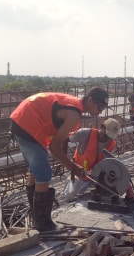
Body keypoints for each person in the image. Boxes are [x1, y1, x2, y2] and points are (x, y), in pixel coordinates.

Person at [10, 86, 109, 232]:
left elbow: (61, 140)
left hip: (23, 119)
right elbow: (54, 147)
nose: (100, 111)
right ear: (90, 100)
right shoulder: (74, 114)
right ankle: (42, 224)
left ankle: (37, 218)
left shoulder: (74, 105)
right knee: (44, 174)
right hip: (28, 123)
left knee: (35, 171)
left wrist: (67, 161)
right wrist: (73, 167)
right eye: (100, 106)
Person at [63, 118, 134, 207]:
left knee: (113, 179)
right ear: (102, 127)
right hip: (79, 172)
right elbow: (64, 139)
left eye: (109, 137)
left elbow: (108, 164)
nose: (106, 139)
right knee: (69, 196)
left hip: (96, 174)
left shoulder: (111, 143)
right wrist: (67, 162)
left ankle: (89, 187)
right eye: (105, 135)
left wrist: (126, 187)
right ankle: (72, 181)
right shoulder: (84, 133)